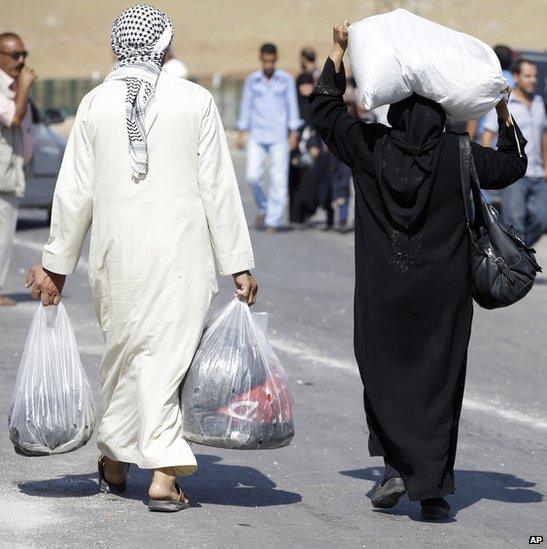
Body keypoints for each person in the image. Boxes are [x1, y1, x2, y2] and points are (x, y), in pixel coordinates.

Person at [25, 4, 258, 513]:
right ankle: (163, 474)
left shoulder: (93, 104)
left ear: (117, 48)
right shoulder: (195, 100)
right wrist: (237, 261)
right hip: (182, 254)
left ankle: (113, 458)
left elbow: (73, 194)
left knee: (127, 356)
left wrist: (56, 264)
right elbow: (218, 186)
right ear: (163, 47)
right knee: (167, 361)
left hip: (116, 256)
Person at [310, 20, 527, 520]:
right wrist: (500, 107)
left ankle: (394, 468)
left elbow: (323, 111)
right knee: (439, 380)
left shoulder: (370, 149)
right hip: (443, 297)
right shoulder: (460, 154)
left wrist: (337, 51)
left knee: (386, 375)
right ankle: (432, 488)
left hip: (384, 293)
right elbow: (513, 164)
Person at [236, 43, 301, 232]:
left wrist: (294, 132)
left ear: (276, 60)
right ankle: (264, 208)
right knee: (252, 176)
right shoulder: (252, 80)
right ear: (261, 59)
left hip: (279, 135)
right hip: (257, 134)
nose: (268, 66)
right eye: (265, 61)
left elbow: (291, 105)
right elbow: (247, 104)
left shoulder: (286, 80)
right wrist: (242, 130)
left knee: (278, 180)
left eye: (271, 62)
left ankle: (273, 220)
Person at [482, 58, 547, 246]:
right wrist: (489, 168)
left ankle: (518, 252)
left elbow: (543, 135)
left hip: (537, 172)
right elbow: (488, 134)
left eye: (535, 76)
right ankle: (516, 266)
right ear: (516, 77)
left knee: (541, 219)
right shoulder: (504, 104)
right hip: (514, 174)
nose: (533, 80)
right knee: (514, 223)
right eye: (528, 76)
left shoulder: (538, 102)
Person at [0, 32, 35, 306]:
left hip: (11, 175)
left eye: (24, 54)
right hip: (2, 176)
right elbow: (14, 118)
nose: (21, 61)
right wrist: (23, 87)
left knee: (4, 236)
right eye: (15, 55)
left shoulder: (13, 86)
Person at [467, 45, 515, 142]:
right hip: (509, 136)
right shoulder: (516, 82)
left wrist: (467, 143)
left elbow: (475, 114)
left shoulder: (489, 80)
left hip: (486, 137)